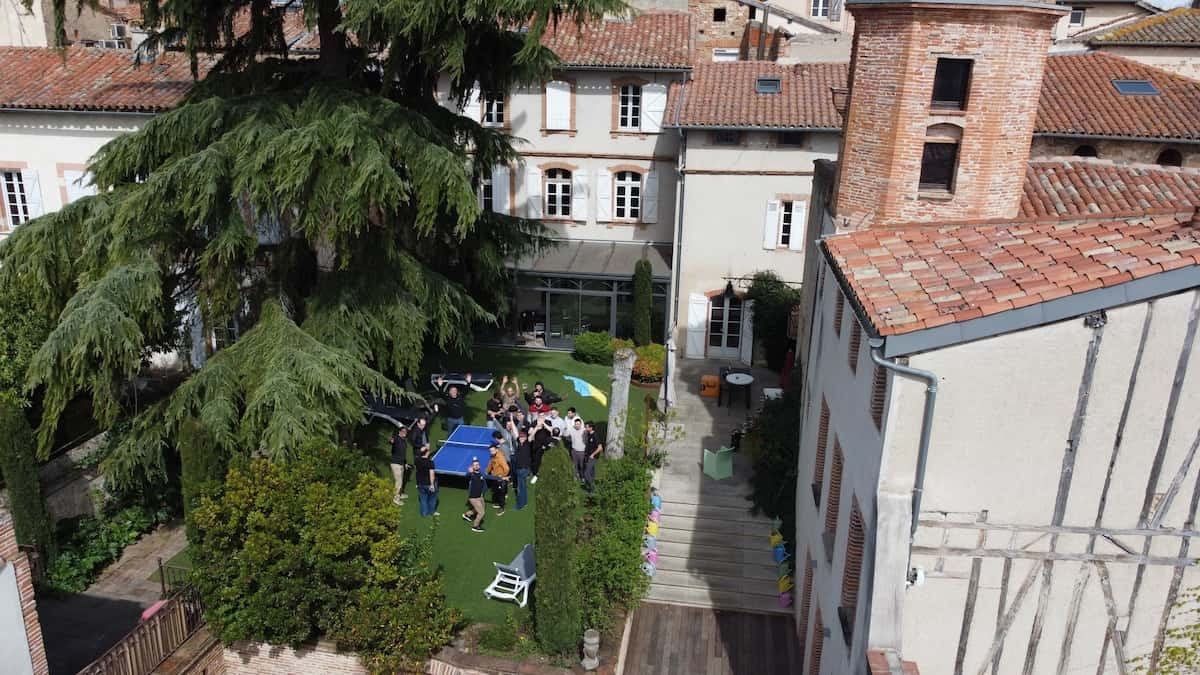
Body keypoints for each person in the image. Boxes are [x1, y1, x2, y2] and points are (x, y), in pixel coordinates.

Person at [462, 457, 487, 533]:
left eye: (477, 465)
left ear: (479, 466)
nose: (476, 466)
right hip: (473, 498)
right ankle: (475, 526)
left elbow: (489, 477)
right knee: (481, 513)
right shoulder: (472, 475)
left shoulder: (481, 474)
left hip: (480, 496)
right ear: (472, 466)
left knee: (479, 508)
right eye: (474, 465)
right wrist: (469, 472)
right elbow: (466, 476)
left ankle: (466, 515)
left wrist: (501, 478)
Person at [485, 444, 511, 516]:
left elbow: (507, 469)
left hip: (500, 478)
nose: (491, 452)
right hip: (494, 477)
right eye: (490, 451)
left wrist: (502, 476)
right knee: (495, 490)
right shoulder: (493, 456)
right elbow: (490, 464)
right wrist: (487, 471)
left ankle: (502, 507)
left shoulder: (500, 458)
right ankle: (496, 502)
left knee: (501, 493)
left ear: (496, 450)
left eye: (493, 450)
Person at [414, 444, 438, 517]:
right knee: (432, 498)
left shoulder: (417, 460)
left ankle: (424, 514)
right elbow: (432, 474)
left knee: (423, 499)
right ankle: (432, 512)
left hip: (420, 483)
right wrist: (432, 485)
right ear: (427, 453)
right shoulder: (430, 462)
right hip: (428, 483)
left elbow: (417, 471)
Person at [512, 428, 533, 510]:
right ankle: (525, 502)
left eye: (523, 437)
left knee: (520, 488)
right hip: (522, 469)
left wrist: (536, 427)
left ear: (525, 438)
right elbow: (515, 432)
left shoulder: (527, 444)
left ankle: (519, 505)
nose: (521, 438)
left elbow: (531, 436)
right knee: (523, 487)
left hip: (522, 469)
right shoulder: (519, 443)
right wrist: (512, 420)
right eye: (520, 437)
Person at [389, 426, 409, 504]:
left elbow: (403, 454)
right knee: (399, 482)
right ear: (399, 432)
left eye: (406, 432)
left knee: (401, 480)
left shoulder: (404, 441)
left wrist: (405, 463)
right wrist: (391, 440)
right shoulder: (396, 439)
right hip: (395, 463)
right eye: (403, 431)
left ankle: (399, 494)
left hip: (401, 463)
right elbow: (392, 441)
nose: (405, 433)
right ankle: (396, 499)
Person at [564, 417, 588, 481]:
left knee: (582, 465)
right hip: (574, 450)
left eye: (578, 424)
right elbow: (566, 436)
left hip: (582, 451)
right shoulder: (572, 430)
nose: (577, 425)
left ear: (580, 424)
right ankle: (575, 475)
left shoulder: (584, 431)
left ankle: (582, 476)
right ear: (574, 424)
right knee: (574, 464)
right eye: (576, 424)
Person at [583, 421, 604, 492]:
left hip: (593, 457)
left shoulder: (595, 435)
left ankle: (594, 488)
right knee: (591, 472)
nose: (585, 428)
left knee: (586, 474)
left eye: (586, 427)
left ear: (591, 428)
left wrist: (593, 454)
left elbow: (600, 448)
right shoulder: (589, 434)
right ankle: (591, 487)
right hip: (588, 456)